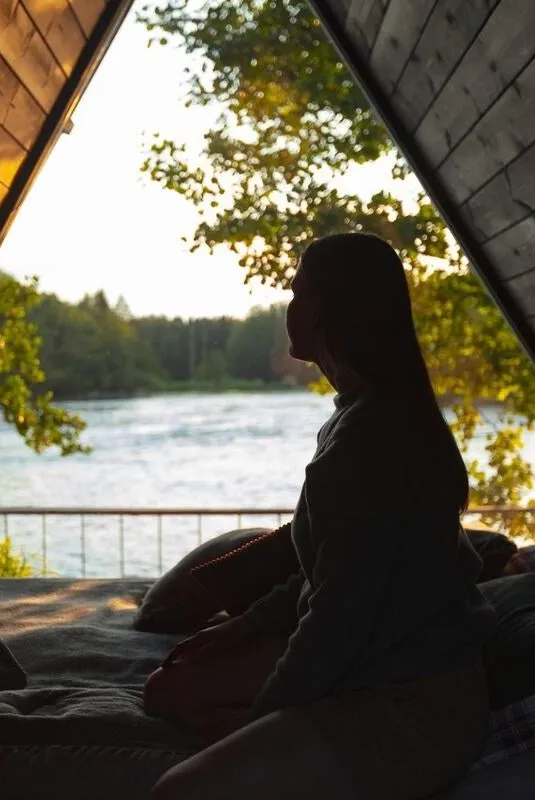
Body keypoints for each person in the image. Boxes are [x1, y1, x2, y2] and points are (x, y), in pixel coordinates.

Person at [144, 233, 496, 800]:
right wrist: (246, 625)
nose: (287, 306)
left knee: (177, 791)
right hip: (366, 654)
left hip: (411, 698)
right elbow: (326, 574)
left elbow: (338, 615)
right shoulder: (356, 417)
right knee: (168, 690)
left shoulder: (373, 441)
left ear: (332, 310)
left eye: (297, 291)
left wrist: (263, 716)